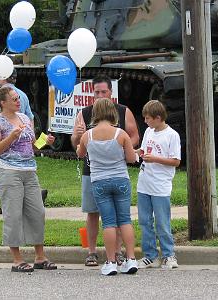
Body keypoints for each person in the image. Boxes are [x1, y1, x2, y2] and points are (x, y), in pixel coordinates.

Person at [0, 86, 57, 272]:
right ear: (3, 103)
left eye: (18, 98)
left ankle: (40, 257)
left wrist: (45, 142)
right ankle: (17, 260)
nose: (19, 101)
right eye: (15, 99)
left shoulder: (24, 118)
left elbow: (31, 145)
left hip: (29, 171)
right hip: (8, 172)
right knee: (13, 214)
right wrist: (10, 137)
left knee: (37, 212)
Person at [71, 74, 140, 267]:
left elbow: (134, 136)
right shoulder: (83, 113)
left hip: (106, 175)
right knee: (95, 213)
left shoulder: (123, 111)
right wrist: (76, 136)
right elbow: (76, 144)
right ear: (92, 94)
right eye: (97, 92)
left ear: (111, 92)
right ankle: (93, 252)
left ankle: (116, 255)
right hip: (92, 173)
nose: (100, 95)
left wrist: (120, 147)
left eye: (104, 91)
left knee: (113, 219)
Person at [0, 69, 48, 214]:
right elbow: (30, 117)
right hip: (20, 160)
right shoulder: (22, 94)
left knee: (22, 210)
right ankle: (26, 197)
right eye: (15, 100)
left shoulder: (5, 95)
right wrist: (30, 131)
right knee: (19, 209)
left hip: (17, 164)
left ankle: (19, 200)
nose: (17, 101)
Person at [136, 100, 181, 269]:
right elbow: (143, 150)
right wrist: (136, 153)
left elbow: (175, 161)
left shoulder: (172, 135)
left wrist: (155, 158)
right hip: (144, 183)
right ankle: (150, 255)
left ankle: (169, 254)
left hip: (160, 185)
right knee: (145, 221)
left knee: (162, 222)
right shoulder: (149, 131)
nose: (145, 121)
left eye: (148, 118)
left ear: (158, 117)